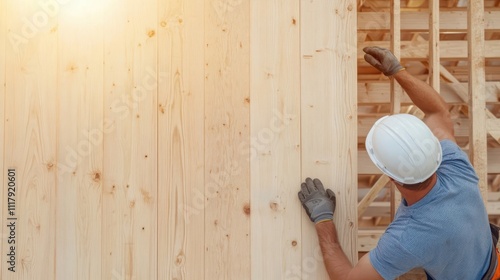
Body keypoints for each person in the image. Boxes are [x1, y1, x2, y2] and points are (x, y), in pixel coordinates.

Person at [298, 46, 500, 280]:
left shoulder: (408, 238)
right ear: (436, 153)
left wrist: (323, 220)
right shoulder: (457, 169)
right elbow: (438, 112)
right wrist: (397, 71)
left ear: (391, 177)